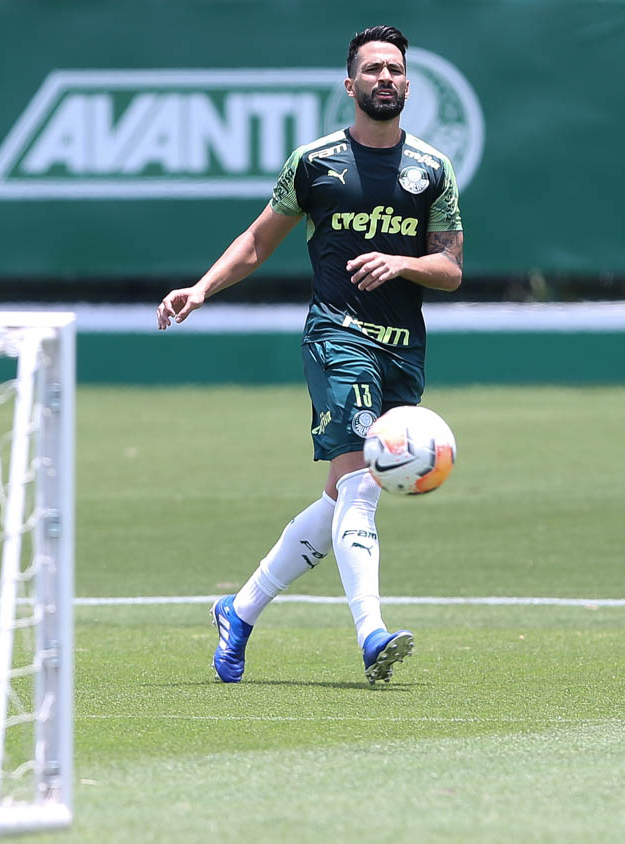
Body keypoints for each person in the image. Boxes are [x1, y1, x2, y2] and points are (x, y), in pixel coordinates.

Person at [156, 25, 463, 685]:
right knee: (360, 485)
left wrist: (404, 263)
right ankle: (371, 634)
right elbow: (259, 240)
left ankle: (238, 612)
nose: (385, 78)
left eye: (395, 69)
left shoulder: (433, 169)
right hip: (337, 336)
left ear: (408, 84)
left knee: (341, 496)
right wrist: (203, 288)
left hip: (402, 351)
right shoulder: (316, 162)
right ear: (350, 85)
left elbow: (450, 269)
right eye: (372, 70)